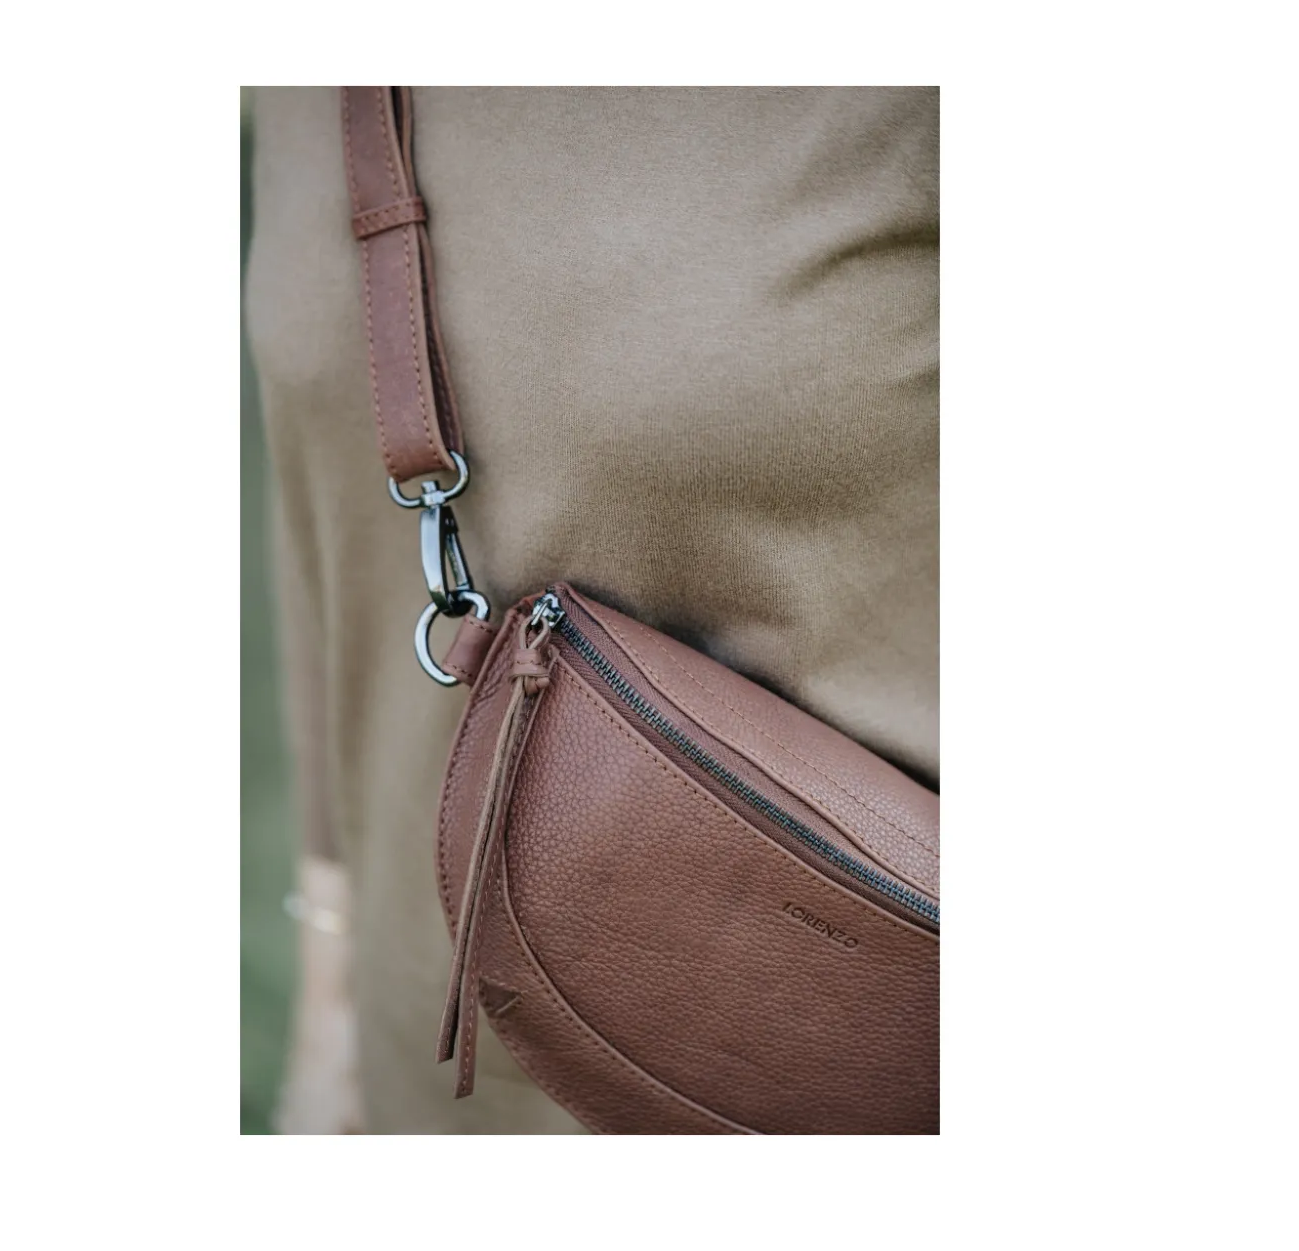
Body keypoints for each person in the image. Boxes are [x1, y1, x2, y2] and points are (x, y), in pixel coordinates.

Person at [245, 86, 939, 1134]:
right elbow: (325, 516)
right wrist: (332, 972)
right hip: (439, 1048)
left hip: (847, 1048)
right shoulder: (316, 96)